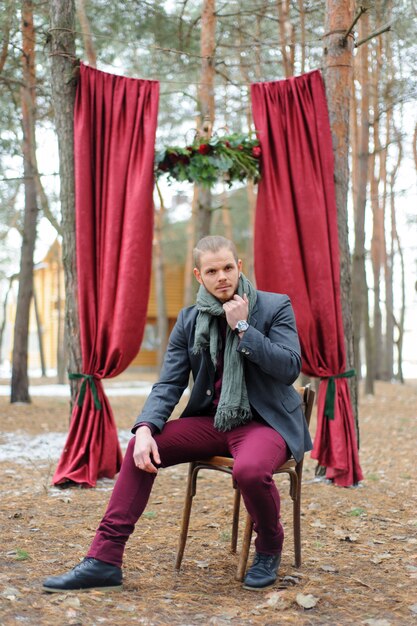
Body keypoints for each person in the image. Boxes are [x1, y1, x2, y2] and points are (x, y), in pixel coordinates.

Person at [43, 235, 312, 593]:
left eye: (228, 268)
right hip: (212, 422)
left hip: (266, 423)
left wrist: (244, 328)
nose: (222, 277)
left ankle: (268, 547)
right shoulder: (189, 321)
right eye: (212, 271)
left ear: (240, 267)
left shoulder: (274, 306)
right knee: (142, 451)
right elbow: (168, 384)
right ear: (199, 276)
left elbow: (289, 368)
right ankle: (104, 559)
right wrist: (144, 429)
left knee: (249, 470)